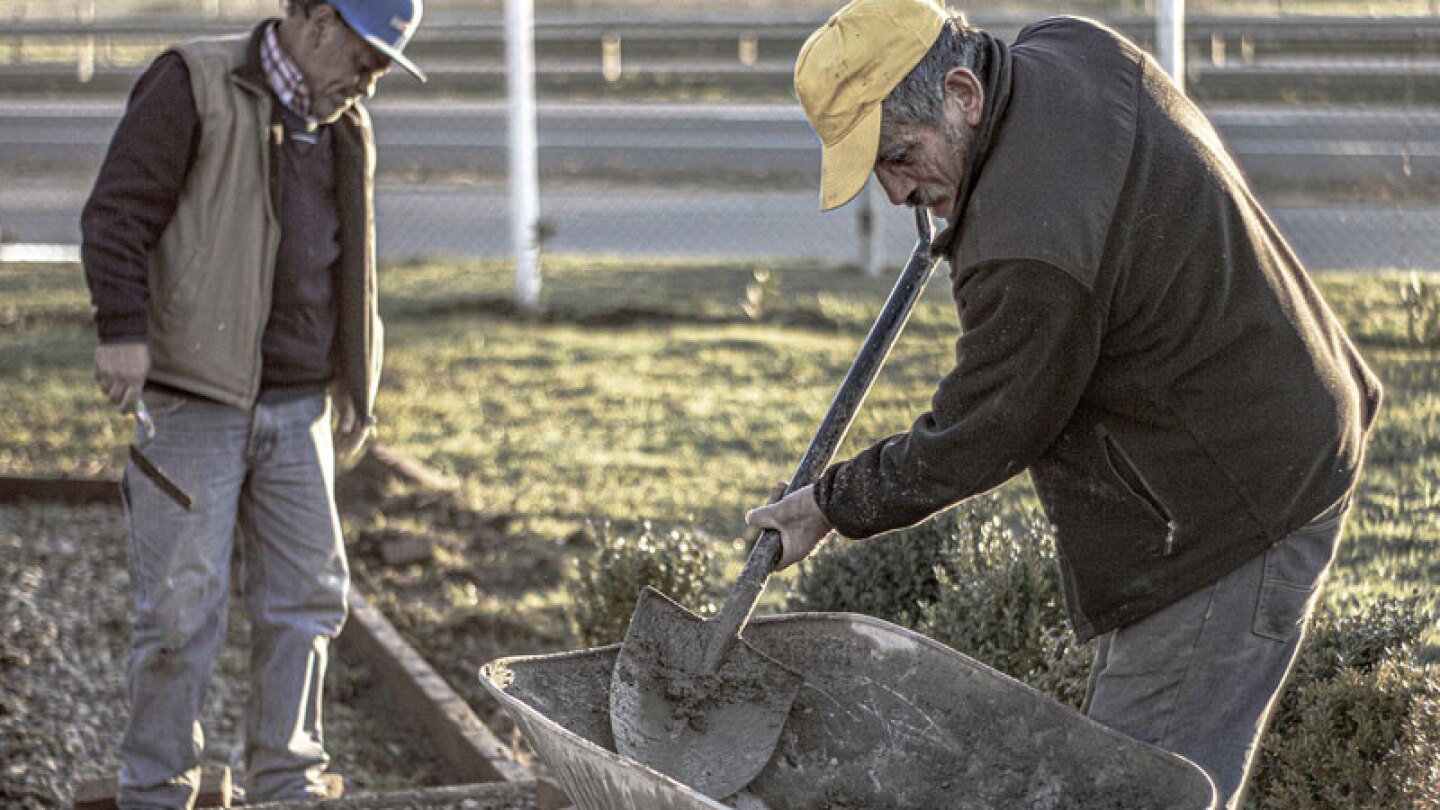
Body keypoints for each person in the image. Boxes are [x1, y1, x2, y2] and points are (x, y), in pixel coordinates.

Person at [745, 0, 1382, 806]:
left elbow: (986, 429)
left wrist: (828, 506)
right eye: (879, 169)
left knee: (1138, 789)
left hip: (1231, 506)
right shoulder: (1065, 46)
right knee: (1128, 754)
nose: (899, 189)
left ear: (963, 93)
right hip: (1265, 421)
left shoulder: (1028, 245)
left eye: (901, 155)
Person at [80, 0, 425, 805]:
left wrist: (354, 376)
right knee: (177, 615)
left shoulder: (343, 122)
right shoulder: (190, 83)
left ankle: (287, 785)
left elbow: (350, 258)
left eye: (382, 67)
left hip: (300, 407)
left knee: (307, 602)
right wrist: (121, 328)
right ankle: (158, 789)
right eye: (367, 57)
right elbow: (116, 215)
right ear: (314, 21)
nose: (370, 83)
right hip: (195, 399)